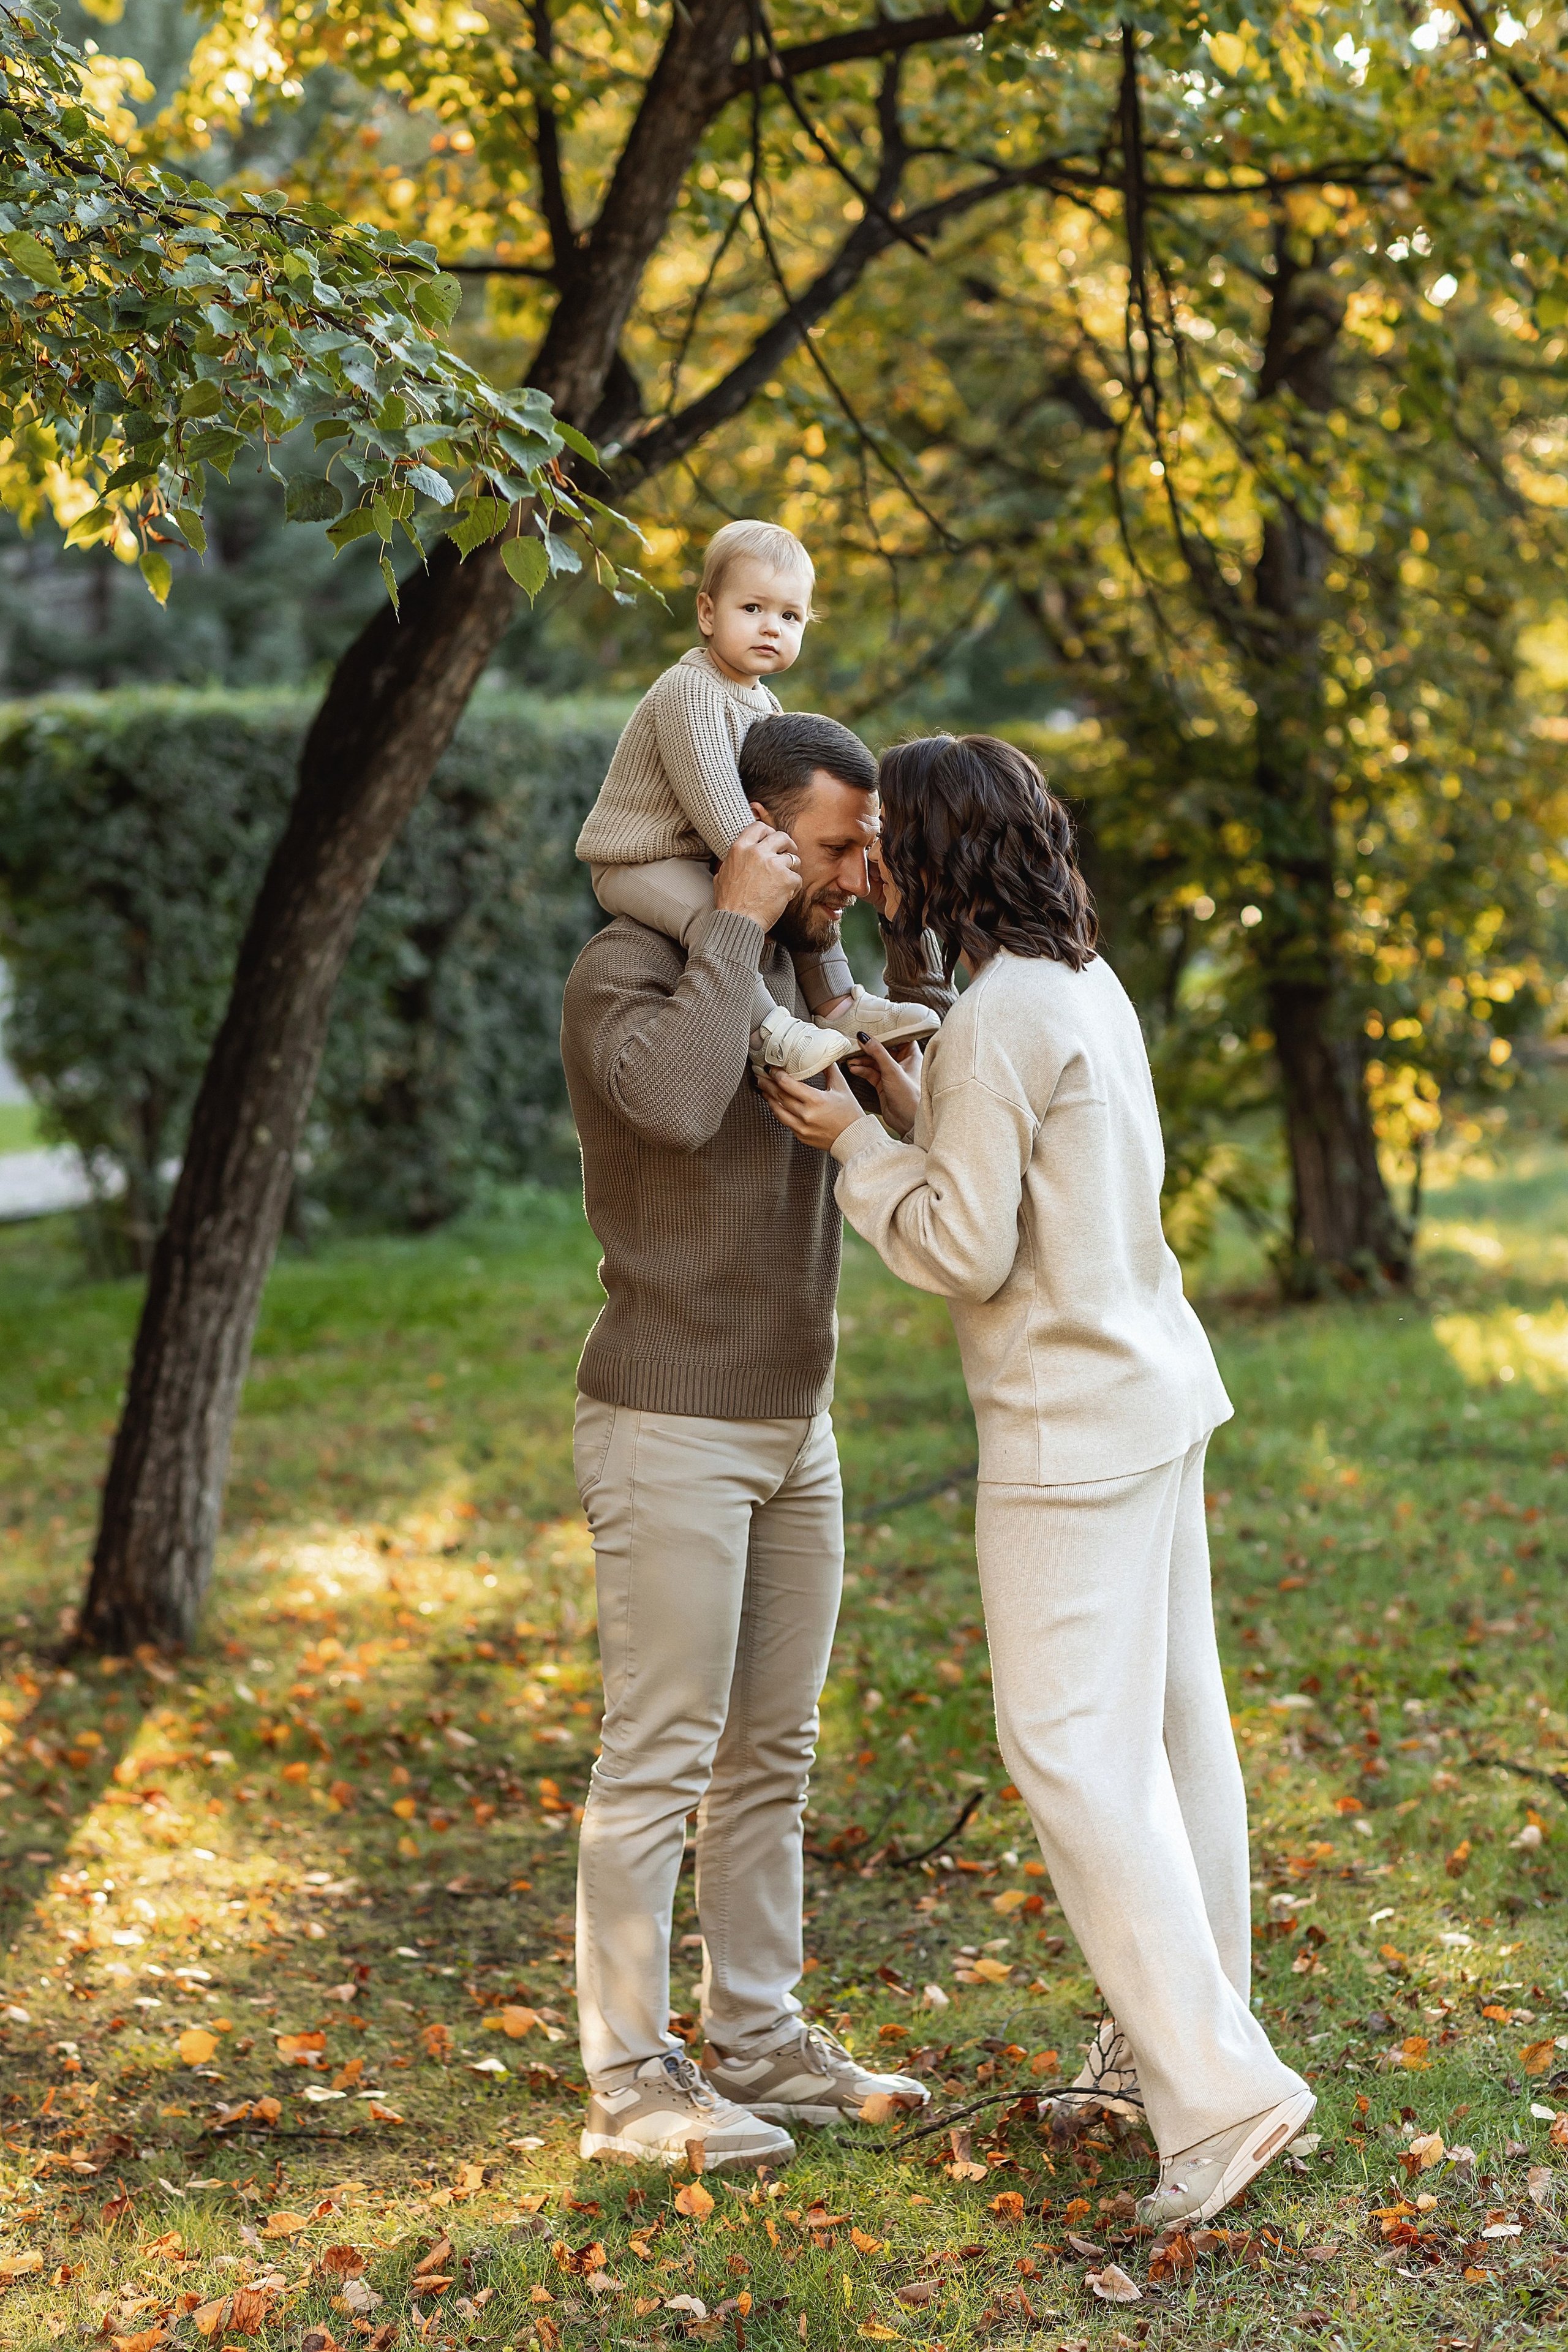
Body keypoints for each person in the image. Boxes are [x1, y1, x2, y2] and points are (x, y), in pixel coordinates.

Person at [758, 733, 1314, 2228]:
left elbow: (962, 1246)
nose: (875, 863)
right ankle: (1173, 2049)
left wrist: (853, 1144)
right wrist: (912, 1104)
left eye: (892, 839)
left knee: (1067, 1749)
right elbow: (1033, 1181)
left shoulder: (1001, 1012)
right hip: (1151, 1390)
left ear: (940, 851)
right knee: (1170, 1738)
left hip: (1070, 1429)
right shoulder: (1075, 979)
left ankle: (1220, 2092)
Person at [560, 709, 946, 2171]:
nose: (851, 873)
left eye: (864, 850)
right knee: (658, 1755)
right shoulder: (628, 970)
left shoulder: (806, 974)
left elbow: (927, 1085)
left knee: (770, 1751)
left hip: (796, 1419)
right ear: (755, 835)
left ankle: (759, 2037)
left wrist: (890, 929)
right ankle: (628, 2078)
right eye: (834, 849)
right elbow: (673, 1103)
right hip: (669, 1417)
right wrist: (733, 914)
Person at [575, 518, 940, 1079]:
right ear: (707, 613)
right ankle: (771, 1031)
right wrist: (773, 876)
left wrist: (795, 872)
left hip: (710, 854)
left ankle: (840, 1006)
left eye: (790, 616)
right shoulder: (688, 690)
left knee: (810, 891)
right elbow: (718, 801)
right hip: (641, 861)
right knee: (719, 913)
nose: (771, 627)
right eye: (752, 609)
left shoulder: (766, 705)